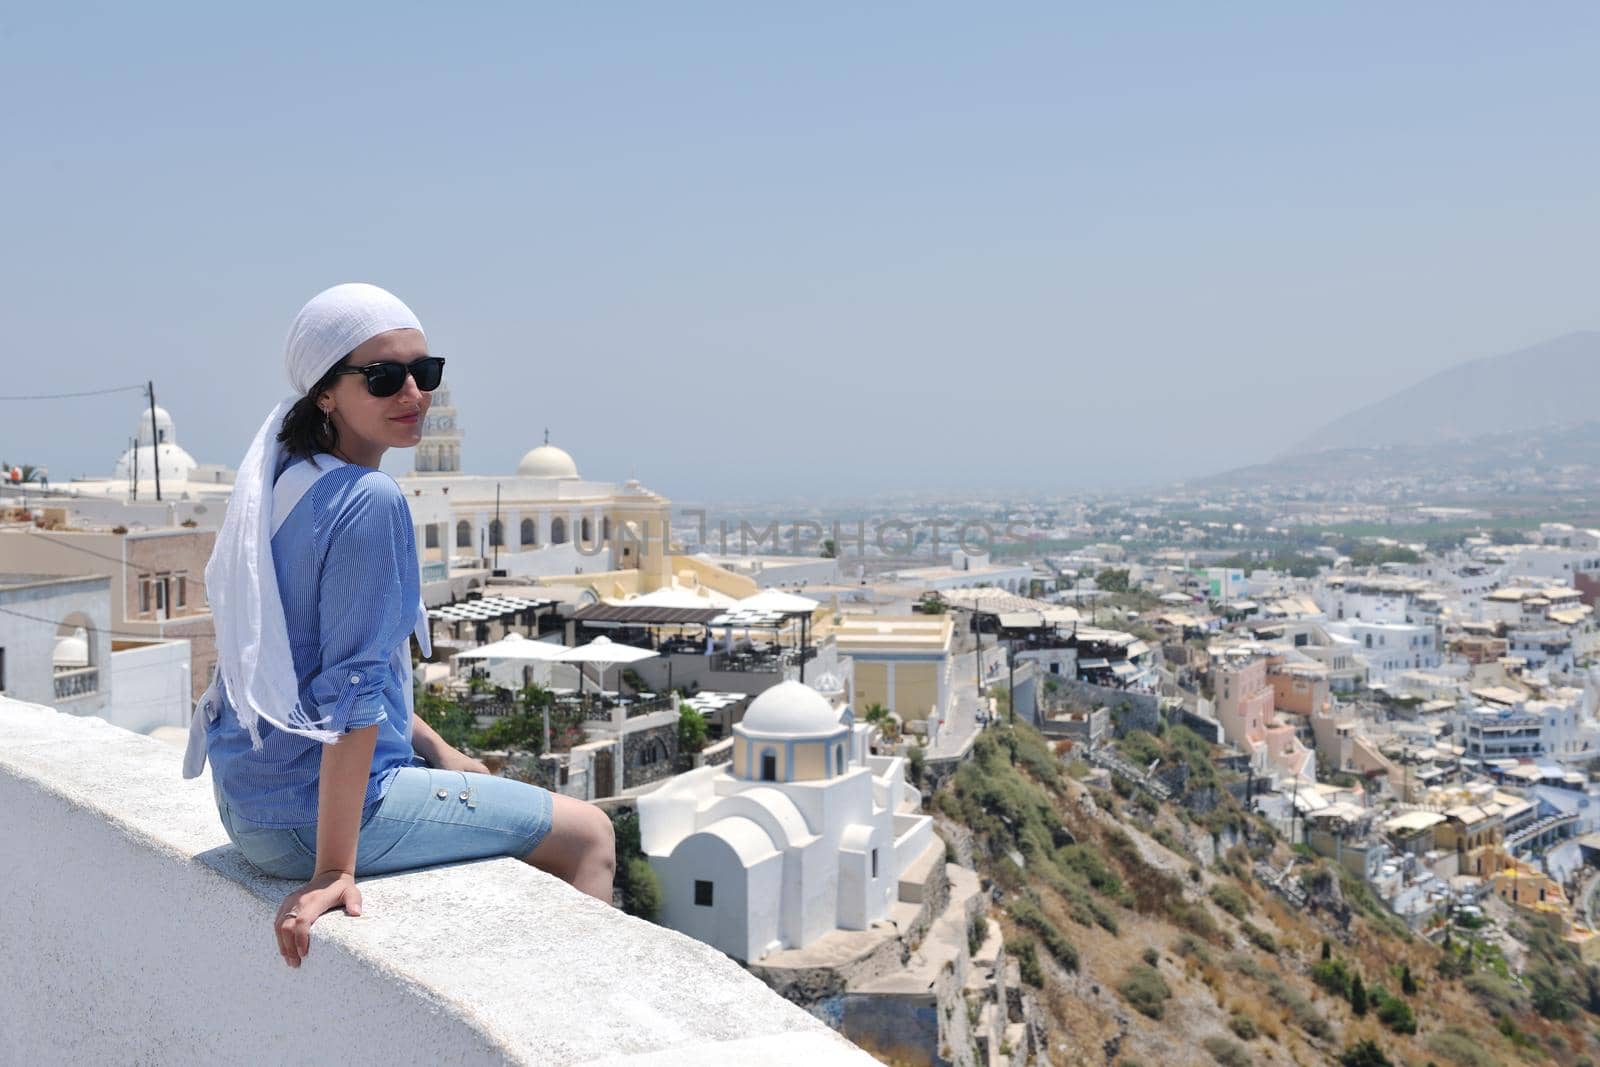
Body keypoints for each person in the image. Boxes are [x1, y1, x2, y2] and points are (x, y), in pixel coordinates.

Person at [184, 284, 614, 969]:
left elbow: (321, 660)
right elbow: (352, 691)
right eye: (385, 377)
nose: (414, 392)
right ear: (326, 392)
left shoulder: (283, 480)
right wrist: (333, 868)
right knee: (589, 834)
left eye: (426, 372)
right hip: (304, 820)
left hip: (248, 803)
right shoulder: (368, 499)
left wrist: (438, 748)